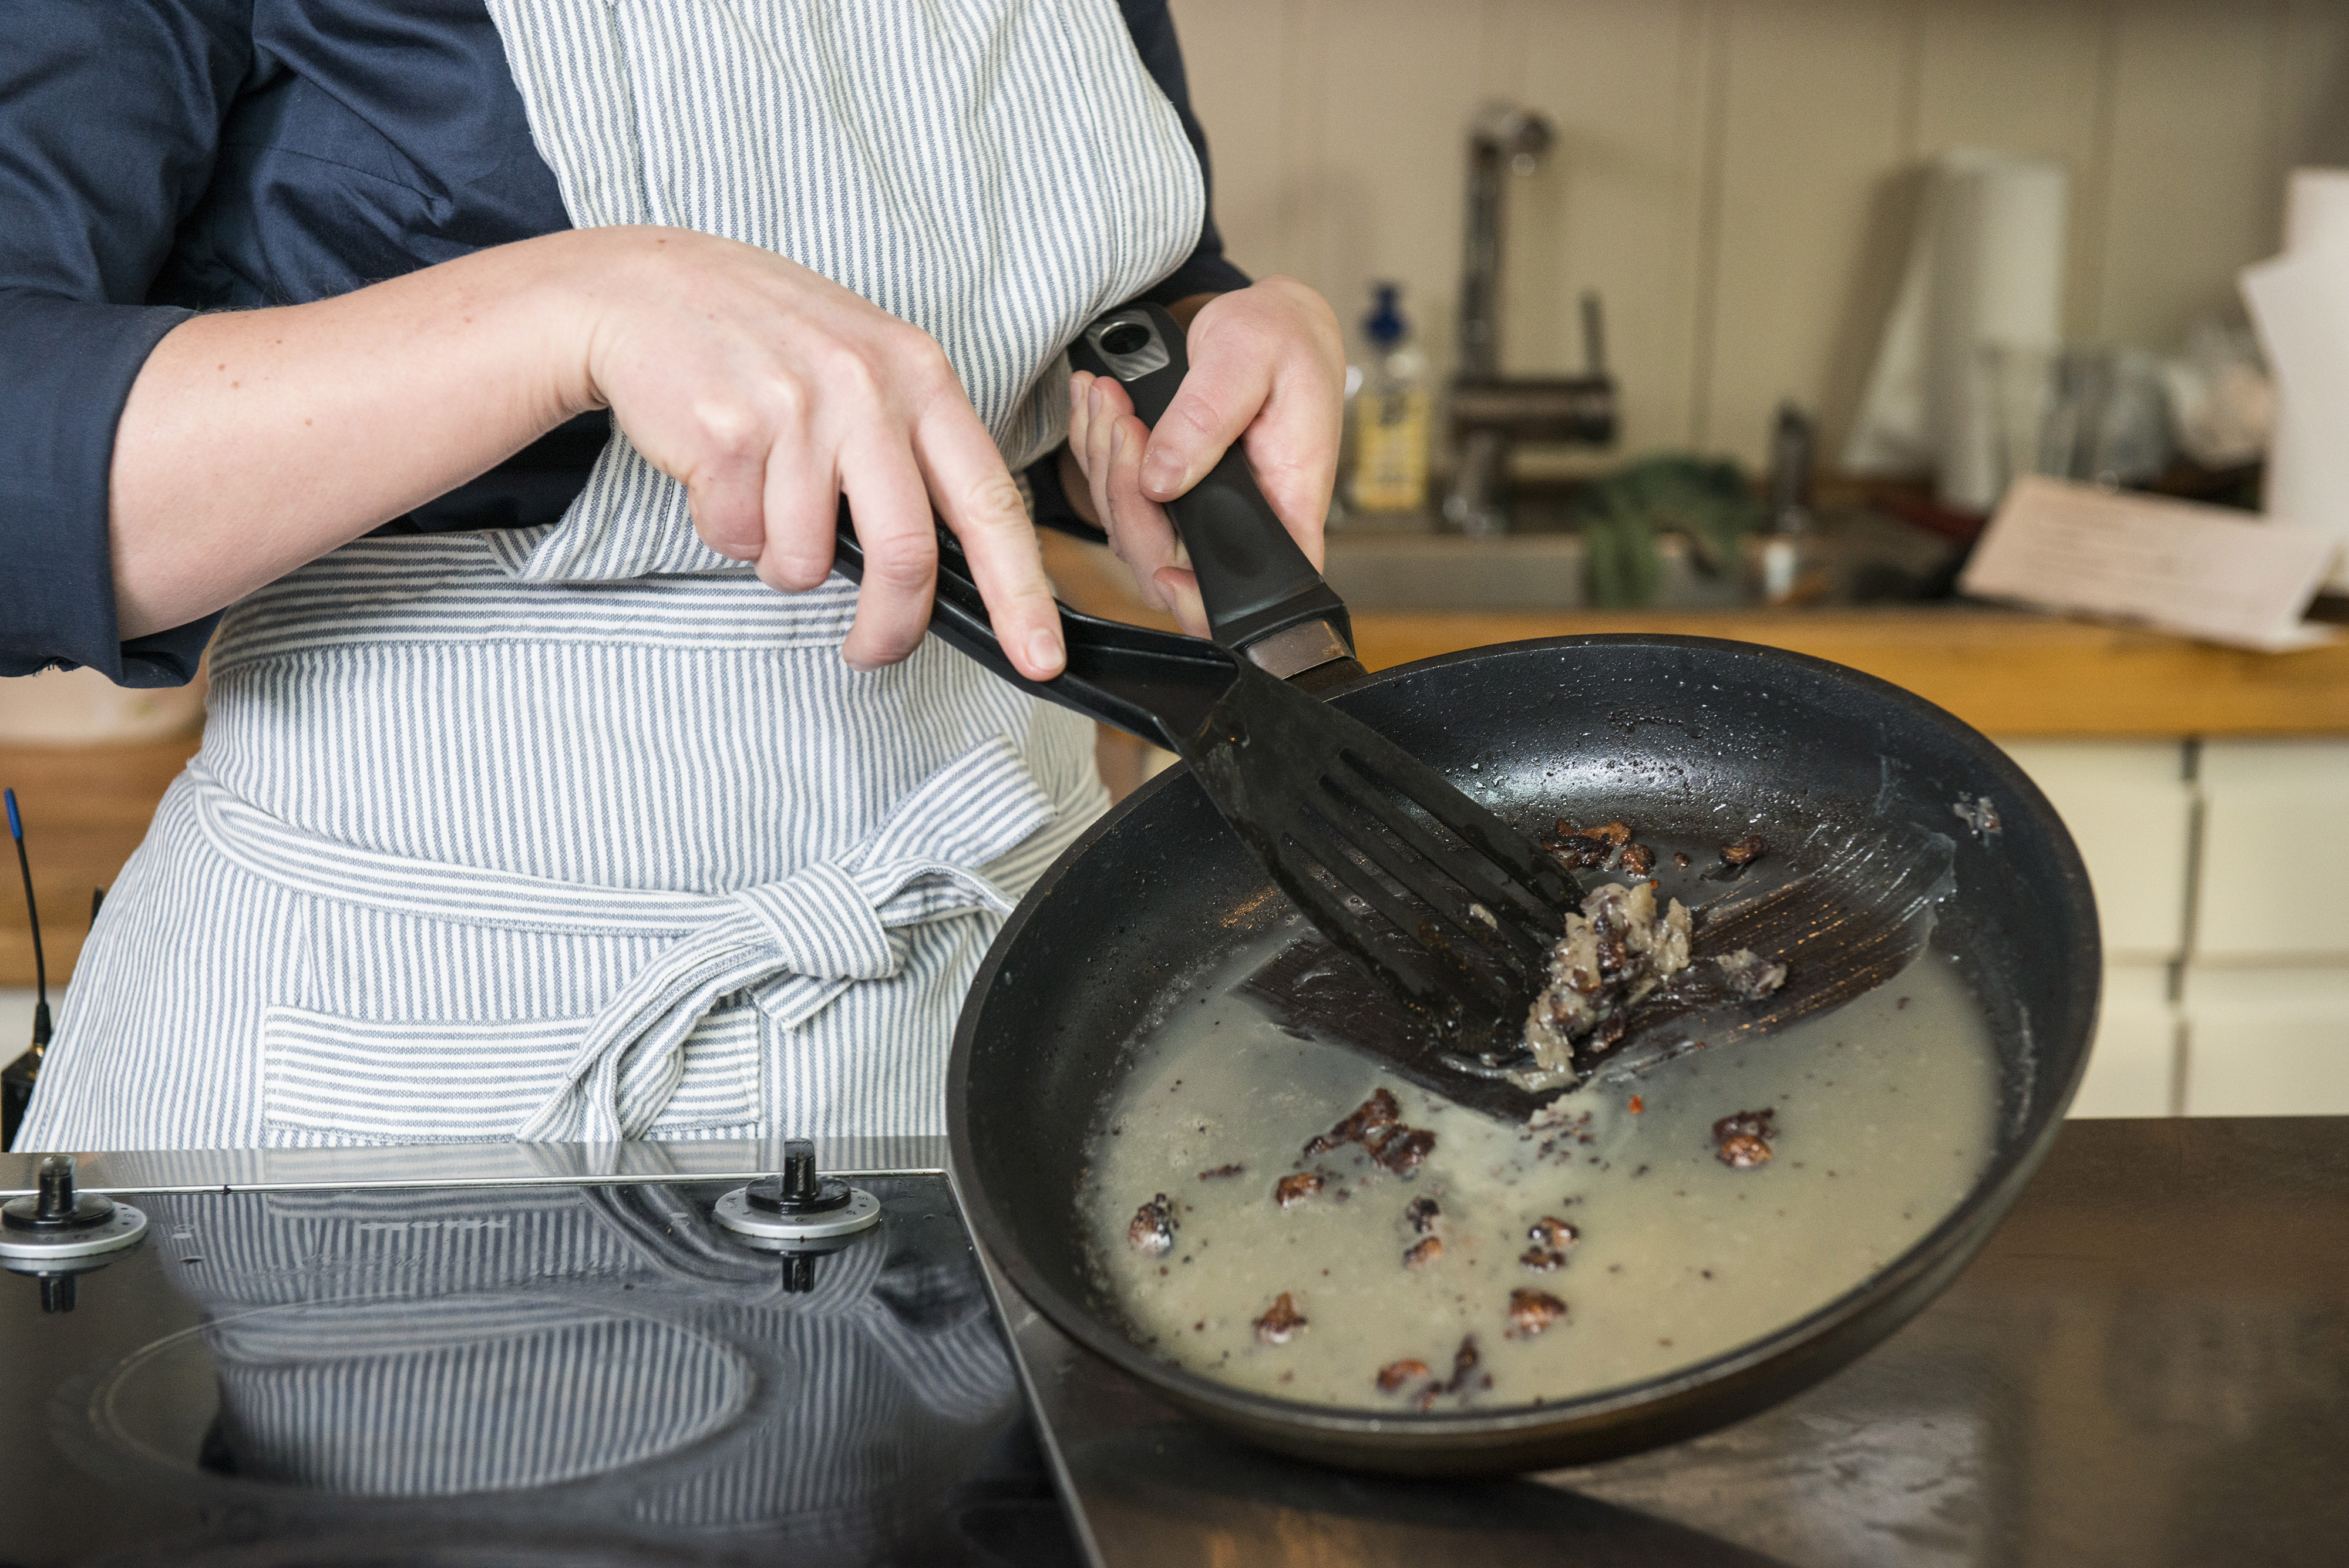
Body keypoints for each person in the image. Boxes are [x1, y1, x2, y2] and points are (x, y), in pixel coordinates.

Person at [2, 0, 1342, 1150]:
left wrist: (1191, 350)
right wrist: (575, 310)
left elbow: (1076, 310)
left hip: (1011, 974)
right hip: (432, 1052)